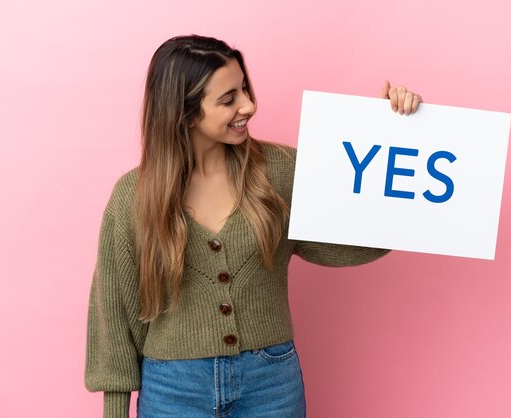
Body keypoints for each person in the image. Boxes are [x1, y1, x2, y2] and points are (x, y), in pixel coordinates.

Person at [85, 34, 422, 418]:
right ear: (185, 112)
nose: (248, 105)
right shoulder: (134, 195)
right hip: (173, 388)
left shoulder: (280, 171)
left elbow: (352, 246)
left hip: (271, 383)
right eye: (228, 99)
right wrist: (114, 410)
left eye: (244, 88)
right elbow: (112, 311)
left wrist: (392, 137)